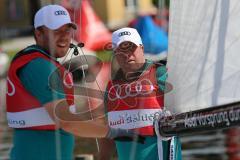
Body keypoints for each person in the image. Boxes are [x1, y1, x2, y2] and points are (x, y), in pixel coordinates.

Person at [6, 5, 139, 160]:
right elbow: (67, 122)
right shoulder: (40, 66)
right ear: (39, 33)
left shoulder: (41, 63)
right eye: (56, 31)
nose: (64, 36)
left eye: (67, 30)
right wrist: (117, 133)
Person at [98, 27, 182, 160]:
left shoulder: (161, 74)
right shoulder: (111, 87)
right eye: (121, 50)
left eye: (131, 48)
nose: (127, 54)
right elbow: (106, 130)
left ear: (141, 48)